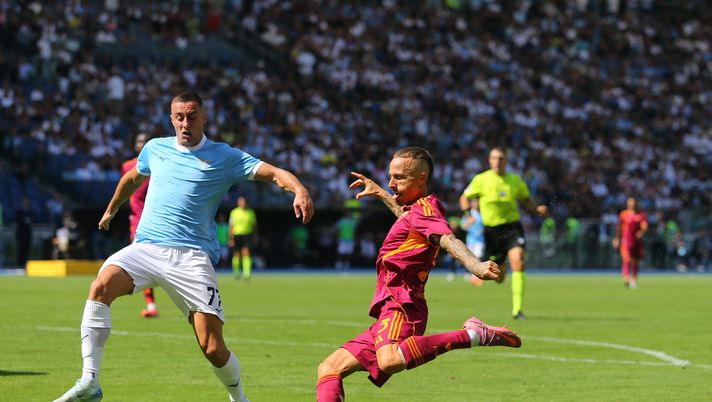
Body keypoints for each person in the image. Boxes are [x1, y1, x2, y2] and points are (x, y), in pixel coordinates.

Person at [53, 91, 314, 402]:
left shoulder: (225, 156)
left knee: (212, 348)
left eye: (192, 116)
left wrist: (298, 189)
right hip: (147, 247)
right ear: (171, 119)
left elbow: (273, 173)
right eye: (179, 117)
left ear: (204, 118)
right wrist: (111, 208)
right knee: (100, 286)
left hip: (191, 258)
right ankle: (90, 381)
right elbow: (132, 178)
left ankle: (239, 398)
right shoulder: (155, 148)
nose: (185, 123)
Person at [316, 147, 521, 402]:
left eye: (399, 177)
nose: (392, 183)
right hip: (388, 307)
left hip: (403, 304)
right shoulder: (416, 210)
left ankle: (472, 335)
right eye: (390, 176)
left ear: (421, 179)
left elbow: (448, 239)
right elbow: (407, 217)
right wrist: (381, 193)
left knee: (390, 360)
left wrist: (476, 266)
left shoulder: (425, 211)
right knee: (329, 369)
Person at [459, 147, 548, 320]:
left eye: (500, 158)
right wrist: (468, 214)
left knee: (518, 261)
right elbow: (464, 197)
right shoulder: (481, 179)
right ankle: (503, 266)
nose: (497, 161)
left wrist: (536, 209)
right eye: (494, 158)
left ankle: (517, 310)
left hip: (512, 228)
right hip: (492, 232)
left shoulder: (515, 180)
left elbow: (526, 198)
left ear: (506, 160)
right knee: (498, 276)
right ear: (489, 160)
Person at [121, 132, 159, 317]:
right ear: (135, 145)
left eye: (146, 141)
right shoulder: (128, 166)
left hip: (160, 219)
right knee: (143, 261)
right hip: (137, 221)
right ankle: (151, 305)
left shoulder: (160, 166)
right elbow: (125, 188)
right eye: (139, 141)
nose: (142, 144)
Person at [612, 196, 648, 289]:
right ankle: (626, 278)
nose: (631, 204)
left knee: (635, 261)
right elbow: (619, 228)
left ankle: (634, 279)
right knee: (626, 259)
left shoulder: (641, 215)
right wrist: (616, 238)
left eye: (633, 202)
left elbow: (645, 226)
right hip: (626, 241)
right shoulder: (623, 214)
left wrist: (641, 232)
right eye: (629, 202)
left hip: (636, 242)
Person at [228, 196, 257, 280]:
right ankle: (236, 273)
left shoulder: (250, 212)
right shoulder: (234, 212)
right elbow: (231, 226)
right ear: (238, 203)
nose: (242, 203)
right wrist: (231, 238)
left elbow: (254, 225)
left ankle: (246, 273)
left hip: (247, 235)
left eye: (243, 202)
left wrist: (255, 236)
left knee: (246, 253)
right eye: (241, 202)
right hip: (236, 235)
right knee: (236, 254)